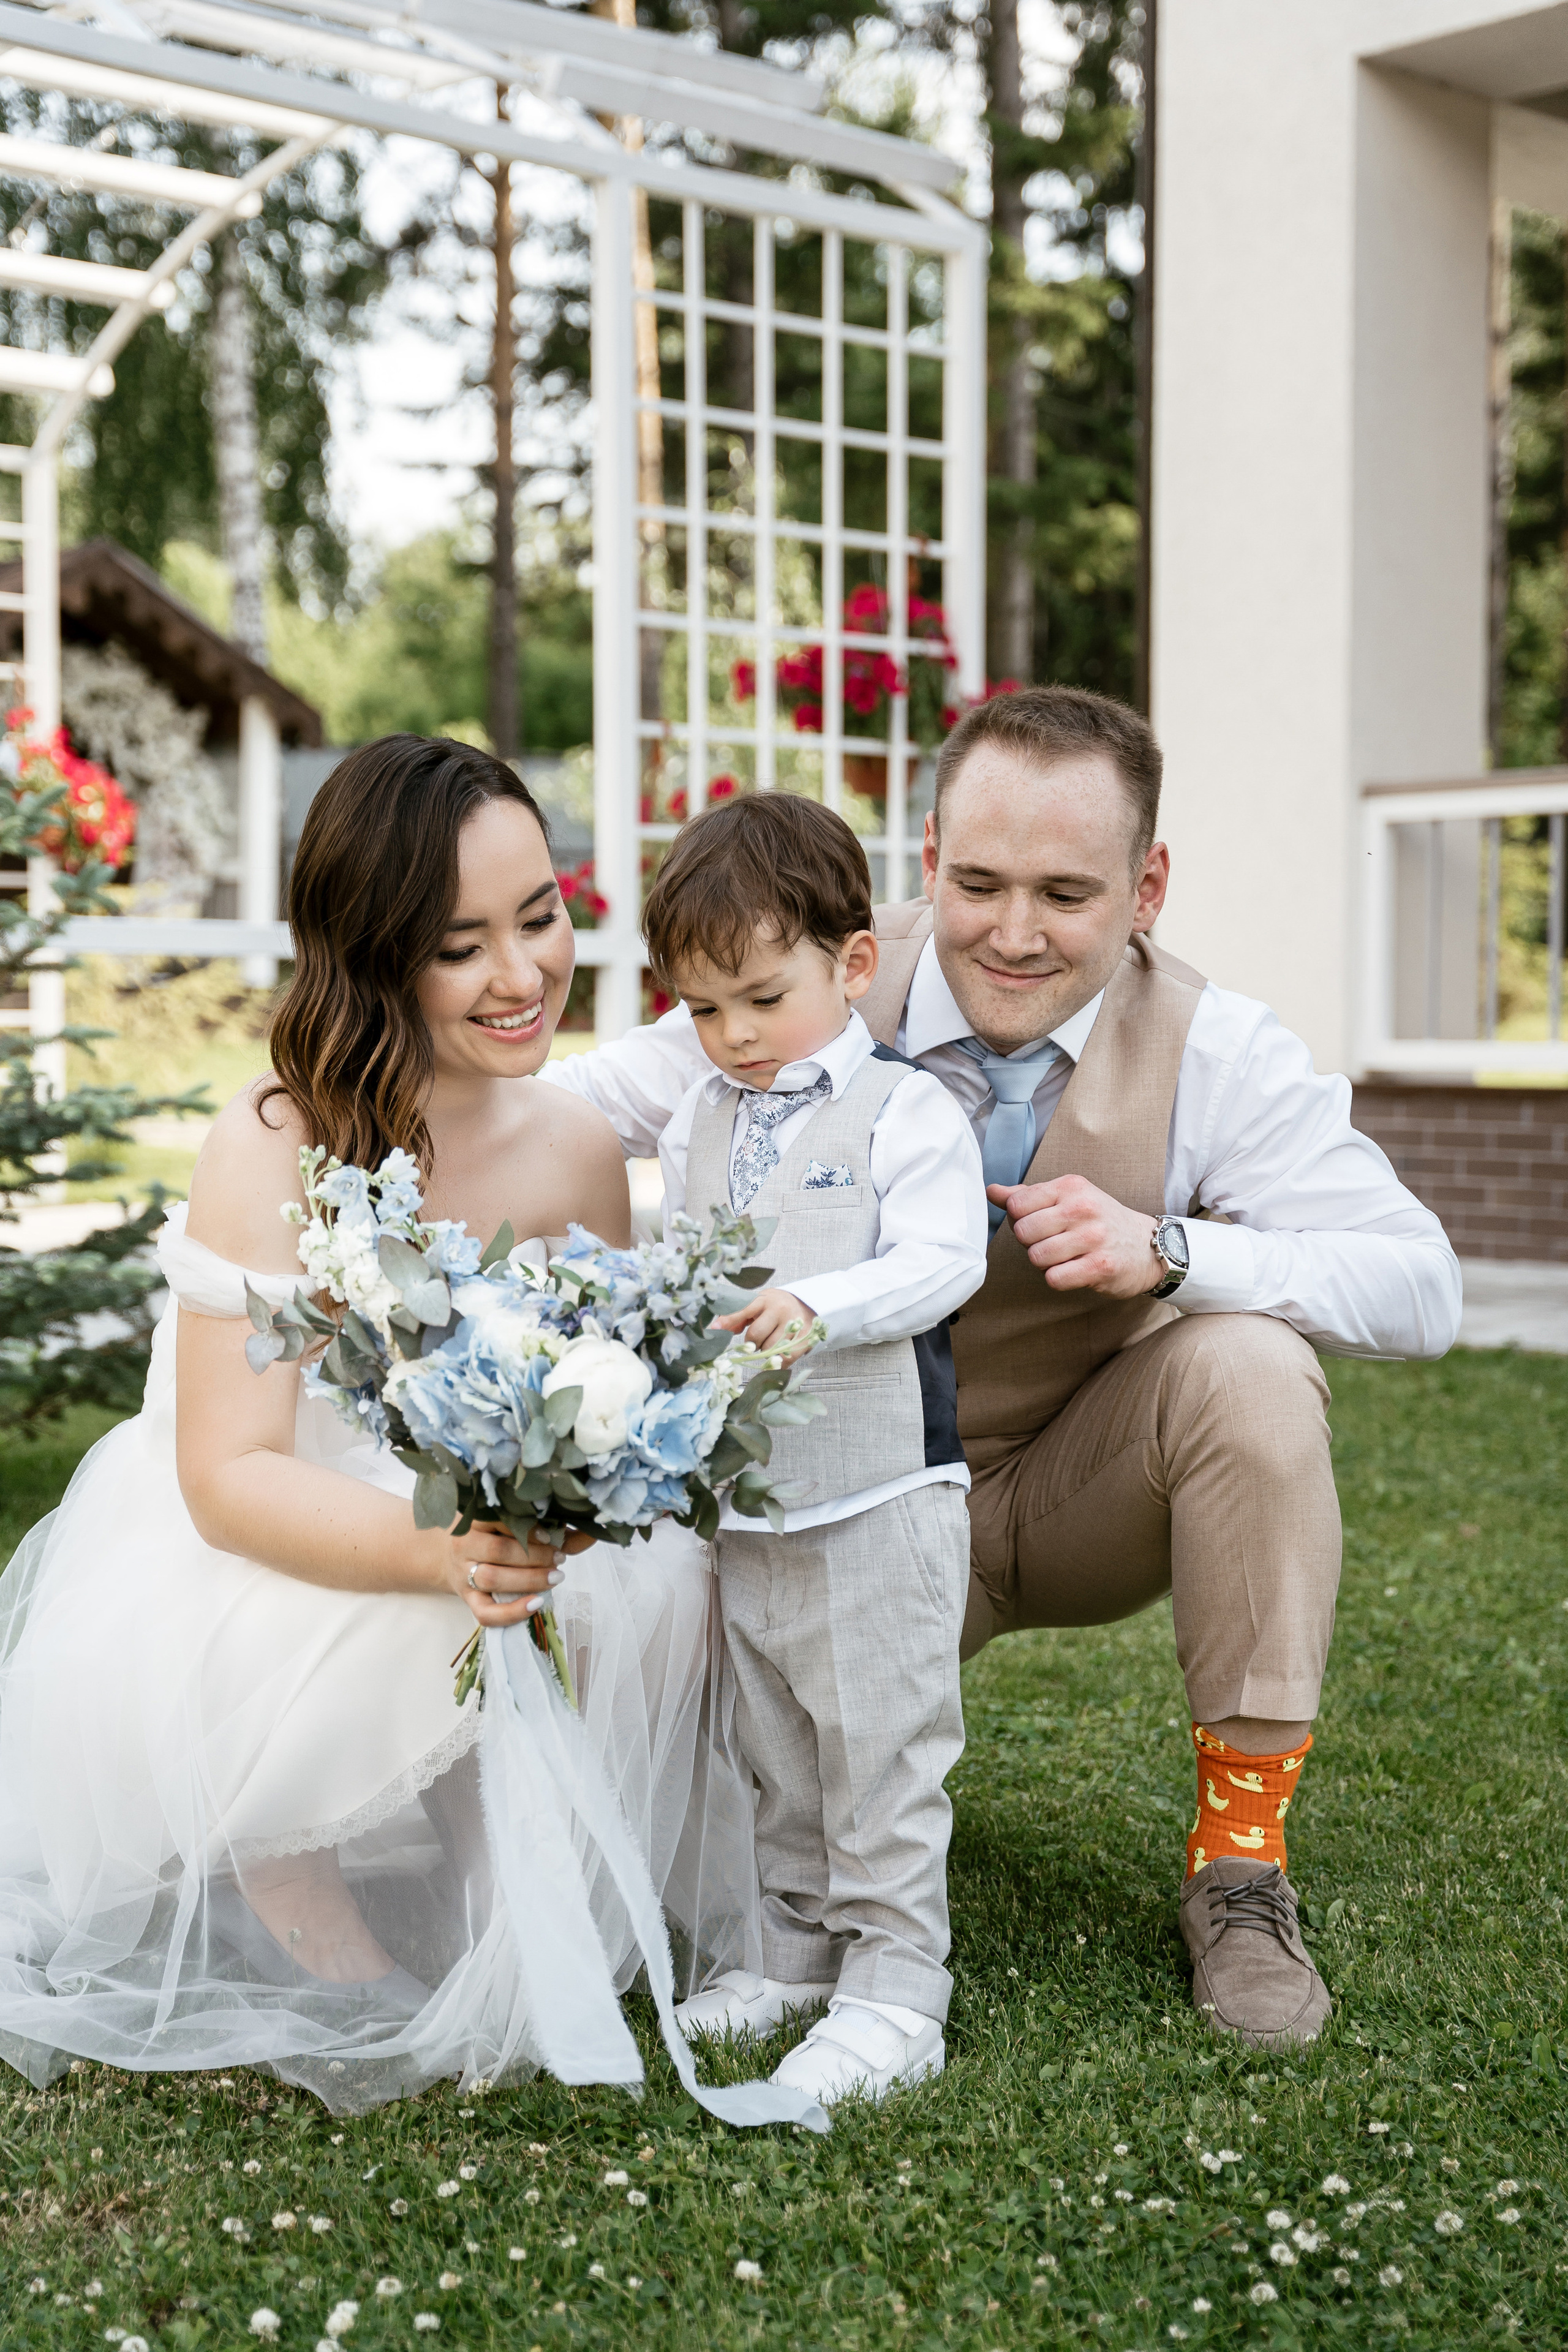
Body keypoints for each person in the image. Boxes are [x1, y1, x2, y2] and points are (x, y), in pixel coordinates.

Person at [545, 687, 1463, 2050]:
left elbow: (1422, 1285)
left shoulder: (1218, 1050)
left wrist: (1171, 1250)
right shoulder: (795, 972)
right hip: (833, 1496)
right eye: (977, 884)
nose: (1013, 934)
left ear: (1146, 888)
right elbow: (571, 1107)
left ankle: (1239, 1866)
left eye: (1066, 894)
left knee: (1251, 1369)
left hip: (1068, 1490)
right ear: (927, 859)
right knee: (715, 1782)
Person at [0, 735, 819, 2126]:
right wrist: (445, 1548)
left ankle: (484, 1830)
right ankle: (280, 1856)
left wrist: (581, 1490)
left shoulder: (572, 1148)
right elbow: (225, 1473)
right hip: (277, 1527)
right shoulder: (275, 1144)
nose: (522, 974)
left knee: (660, 1596)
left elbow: (587, 1387)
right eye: (459, 946)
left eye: (540, 918)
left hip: (482, 1516)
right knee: (409, 1600)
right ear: (374, 959)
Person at [642, 794, 988, 2103]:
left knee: (878, 1747)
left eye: (760, 997)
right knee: (774, 1744)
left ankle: (897, 1982)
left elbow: (945, 1260)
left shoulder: (905, 1110)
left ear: (852, 963)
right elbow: (679, 1272)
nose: (732, 1033)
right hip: (748, 1506)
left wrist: (819, 1306)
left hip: (879, 1494)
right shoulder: (697, 1119)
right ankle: (792, 1952)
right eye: (703, 1008)